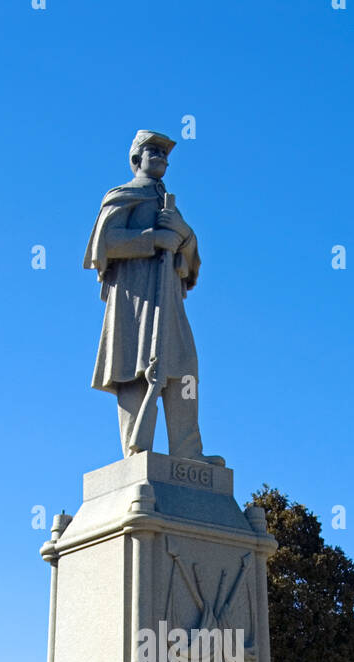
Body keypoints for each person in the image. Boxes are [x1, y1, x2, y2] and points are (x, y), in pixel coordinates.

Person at [84, 130, 222, 463]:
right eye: (153, 149)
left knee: (184, 366)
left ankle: (189, 453)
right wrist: (153, 238)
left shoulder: (170, 207)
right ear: (136, 159)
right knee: (132, 369)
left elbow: (193, 265)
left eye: (164, 151)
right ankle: (136, 452)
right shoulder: (122, 196)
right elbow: (105, 245)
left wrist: (184, 234)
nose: (161, 155)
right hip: (133, 300)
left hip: (168, 300)